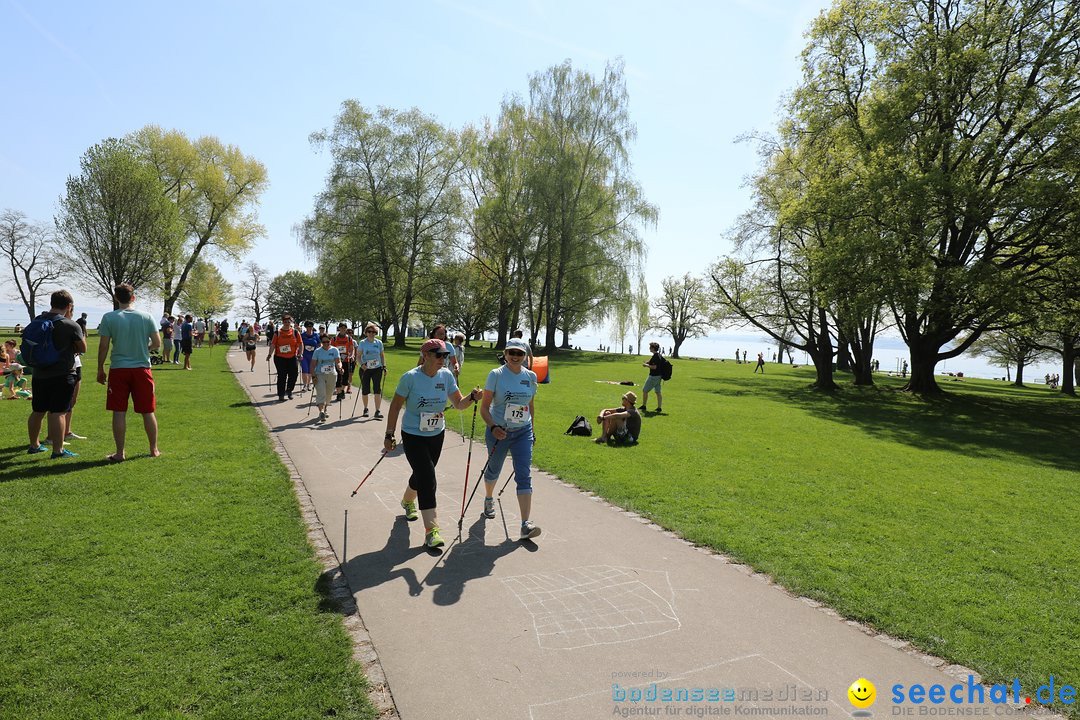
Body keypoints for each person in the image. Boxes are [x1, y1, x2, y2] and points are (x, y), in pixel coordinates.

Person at [384, 338, 480, 549]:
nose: (443, 359)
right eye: (438, 355)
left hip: (436, 433)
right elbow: (395, 406)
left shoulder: (445, 376)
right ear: (425, 355)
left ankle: (408, 501)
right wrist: (389, 434)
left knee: (422, 474)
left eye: (445, 355)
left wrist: (472, 397)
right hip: (412, 434)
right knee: (428, 477)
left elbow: (458, 403)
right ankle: (432, 530)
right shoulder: (410, 378)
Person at [479, 337, 542, 540]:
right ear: (505, 354)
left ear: (525, 356)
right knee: (494, 469)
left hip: (523, 432)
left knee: (524, 474)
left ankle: (526, 524)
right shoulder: (496, 375)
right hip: (499, 431)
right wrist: (494, 426)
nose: (515, 357)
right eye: (511, 353)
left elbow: (530, 406)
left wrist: (532, 430)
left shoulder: (531, 376)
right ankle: (489, 498)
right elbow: (484, 407)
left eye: (519, 353)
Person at [97, 283, 162, 461]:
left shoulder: (109, 318)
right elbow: (157, 343)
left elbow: (103, 346)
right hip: (142, 369)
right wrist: (143, 347)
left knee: (119, 412)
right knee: (148, 411)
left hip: (119, 369)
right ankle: (153, 449)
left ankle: (120, 453)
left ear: (117, 298)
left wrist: (100, 368)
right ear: (133, 297)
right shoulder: (146, 316)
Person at [25, 289, 86, 459]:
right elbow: (83, 348)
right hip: (62, 373)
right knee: (58, 412)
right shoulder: (69, 325)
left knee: (38, 411)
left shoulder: (37, 320)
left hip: (39, 373)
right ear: (68, 306)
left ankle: (34, 445)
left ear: (52, 303)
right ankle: (58, 450)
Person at [63, 302, 87, 442]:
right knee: (60, 403)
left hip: (76, 364)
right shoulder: (61, 325)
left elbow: (82, 348)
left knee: (72, 400)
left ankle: (67, 431)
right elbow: (82, 347)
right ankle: (52, 436)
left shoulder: (74, 326)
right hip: (66, 366)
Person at [267, 314, 300, 401]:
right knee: (282, 376)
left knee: (294, 375)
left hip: (292, 357)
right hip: (280, 357)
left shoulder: (295, 332)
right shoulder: (277, 333)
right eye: (285, 322)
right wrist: (269, 354)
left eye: (288, 322)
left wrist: (300, 354)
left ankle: (289, 390)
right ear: (283, 322)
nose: (287, 323)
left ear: (291, 322)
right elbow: (273, 344)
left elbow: (301, 344)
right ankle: (281, 394)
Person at [357, 322, 387, 418]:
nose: (371, 333)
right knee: (365, 390)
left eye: (374, 332)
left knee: (377, 389)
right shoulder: (362, 343)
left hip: (377, 369)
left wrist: (384, 366)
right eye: (369, 331)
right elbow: (358, 356)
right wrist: (362, 365)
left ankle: (377, 411)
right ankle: (365, 409)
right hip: (365, 369)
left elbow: (382, 356)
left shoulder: (379, 343)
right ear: (366, 333)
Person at [311, 335, 343, 422]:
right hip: (319, 374)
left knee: (329, 394)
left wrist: (340, 368)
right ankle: (321, 412)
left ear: (330, 341)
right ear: (321, 342)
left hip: (332, 374)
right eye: (323, 342)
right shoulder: (317, 351)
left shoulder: (334, 350)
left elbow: (338, 362)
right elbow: (313, 365)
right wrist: (313, 376)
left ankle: (325, 409)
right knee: (321, 393)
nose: (325, 344)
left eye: (327, 342)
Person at [330, 323, 356, 401]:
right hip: (337, 361)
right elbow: (331, 349)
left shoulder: (349, 339)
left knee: (345, 378)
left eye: (344, 328)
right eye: (341, 327)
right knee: (338, 377)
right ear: (339, 328)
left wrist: (351, 355)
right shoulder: (334, 339)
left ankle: (342, 391)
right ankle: (339, 393)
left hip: (346, 360)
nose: (343, 329)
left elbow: (352, 349)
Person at [641, 342, 664, 413]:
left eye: (650, 347)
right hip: (659, 377)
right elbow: (653, 363)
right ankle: (659, 408)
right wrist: (647, 362)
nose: (649, 348)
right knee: (658, 392)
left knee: (645, 390)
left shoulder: (655, 357)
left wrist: (646, 365)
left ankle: (644, 406)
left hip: (653, 377)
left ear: (653, 348)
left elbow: (654, 367)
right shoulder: (659, 355)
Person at [299, 321, 320, 392]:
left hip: (313, 356)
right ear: (306, 327)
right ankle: (305, 385)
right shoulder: (302, 335)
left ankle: (309, 384)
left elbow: (320, 344)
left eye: (311, 327)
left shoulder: (316, 335)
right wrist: (299, 353)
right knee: (305, 370)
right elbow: (299, 344)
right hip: (304, 355)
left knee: (311, 370)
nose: (310, 328)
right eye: (308, 327)